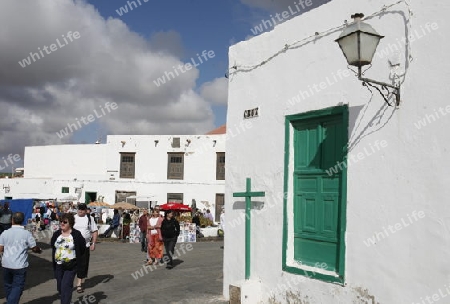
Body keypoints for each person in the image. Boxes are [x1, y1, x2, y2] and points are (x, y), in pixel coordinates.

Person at [0, 212, 42, 304]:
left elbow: (1, 249)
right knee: (17, 287)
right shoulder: (26, 234)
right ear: (22, 221)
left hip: (6, 264)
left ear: (12, 220)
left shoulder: (5, 233)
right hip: (19, 265)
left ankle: (11, 301)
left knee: (8, 286)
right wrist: (38, 250)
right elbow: (34, 248)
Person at [51, 213, 86, 304]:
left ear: (70, 223)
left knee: (65, 286)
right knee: (60, 287)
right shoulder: (57, 234)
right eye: (61, 222)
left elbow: (82, 248)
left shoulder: (76, 234)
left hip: (71, 266)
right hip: (58, 265)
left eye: (65, 222)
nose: (62, 223)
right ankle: (66, 300)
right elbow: (52, 245)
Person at [73, 203, 98, 293]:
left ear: (86, 210)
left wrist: (93, 243)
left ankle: (79, 284)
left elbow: (95, 231)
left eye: (82, 209)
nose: (80, 211)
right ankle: (68, 282)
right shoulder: (73, 218)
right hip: (72, 246)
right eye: (79, 209)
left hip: (85, 245)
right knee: (72, 264)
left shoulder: (89, 218)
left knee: (82, 265)